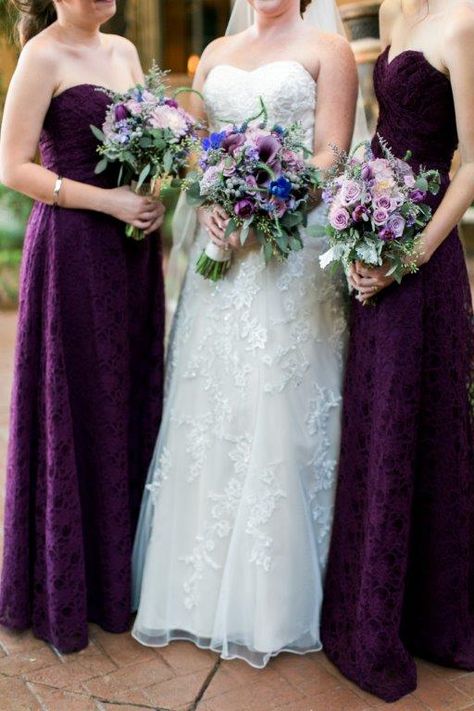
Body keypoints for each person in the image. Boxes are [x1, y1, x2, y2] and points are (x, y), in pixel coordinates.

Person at [131, 0, 358, 668]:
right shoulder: (218, 59)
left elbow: (333, 155)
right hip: (222, 266)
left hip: (288, 260)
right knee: (211, 413)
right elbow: (201, 160)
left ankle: (275, 599)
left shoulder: (330, 50)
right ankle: (194, 594)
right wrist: (210, 207)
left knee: (276, 408)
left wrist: (268, 203)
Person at [0, 0, 165, 653]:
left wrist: (156, 184)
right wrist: (108, 199)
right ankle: (72, 584)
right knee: (80, 402)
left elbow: (151, 141)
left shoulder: (125, 51)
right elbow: (12, 166)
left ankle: (117, 575)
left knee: (123, 398)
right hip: (73, 248)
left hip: (131, 252)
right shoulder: (41, 55)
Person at [321, 0, 474, 701]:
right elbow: (383, 136)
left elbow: (470, 162)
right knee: (379, 425)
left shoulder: (463, 21)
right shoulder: (389, 14)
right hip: (375, 251)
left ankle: (435, 620)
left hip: (425, 259)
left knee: (428, 427)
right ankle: (377, 613)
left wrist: (408, 255)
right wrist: (356, 223)